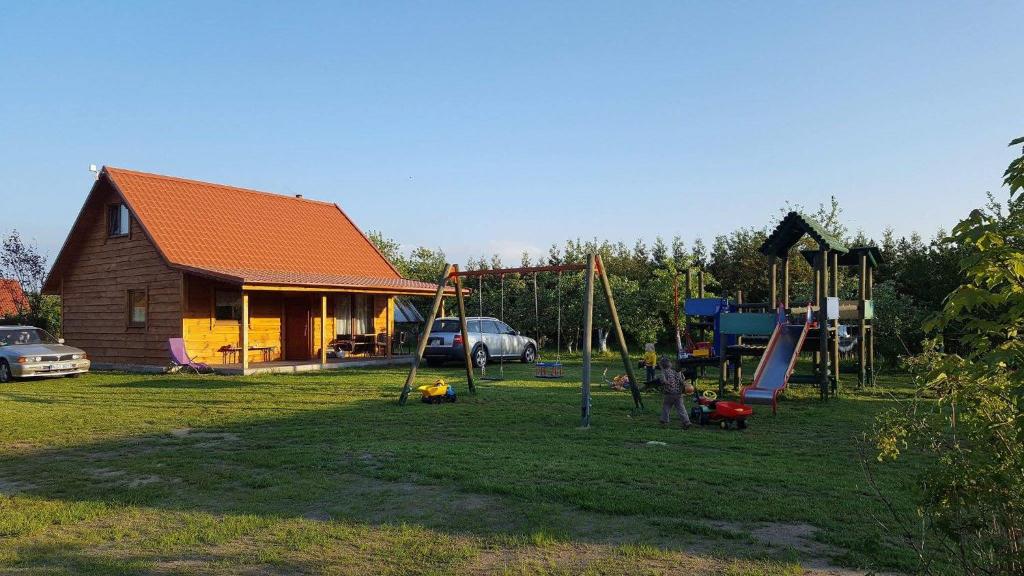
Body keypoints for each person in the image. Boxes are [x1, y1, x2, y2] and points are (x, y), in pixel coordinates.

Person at [659, 356, 692, 429]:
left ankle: (664, 420)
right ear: (670, 364)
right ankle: (686, 421)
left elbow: (663, 380)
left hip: (669, 394)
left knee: (666, 406)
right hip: (678, 394)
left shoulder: (664, 372)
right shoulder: (675, 372)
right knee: (681, 408)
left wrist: (665, 382)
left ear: (661, 366)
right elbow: (682, 380)